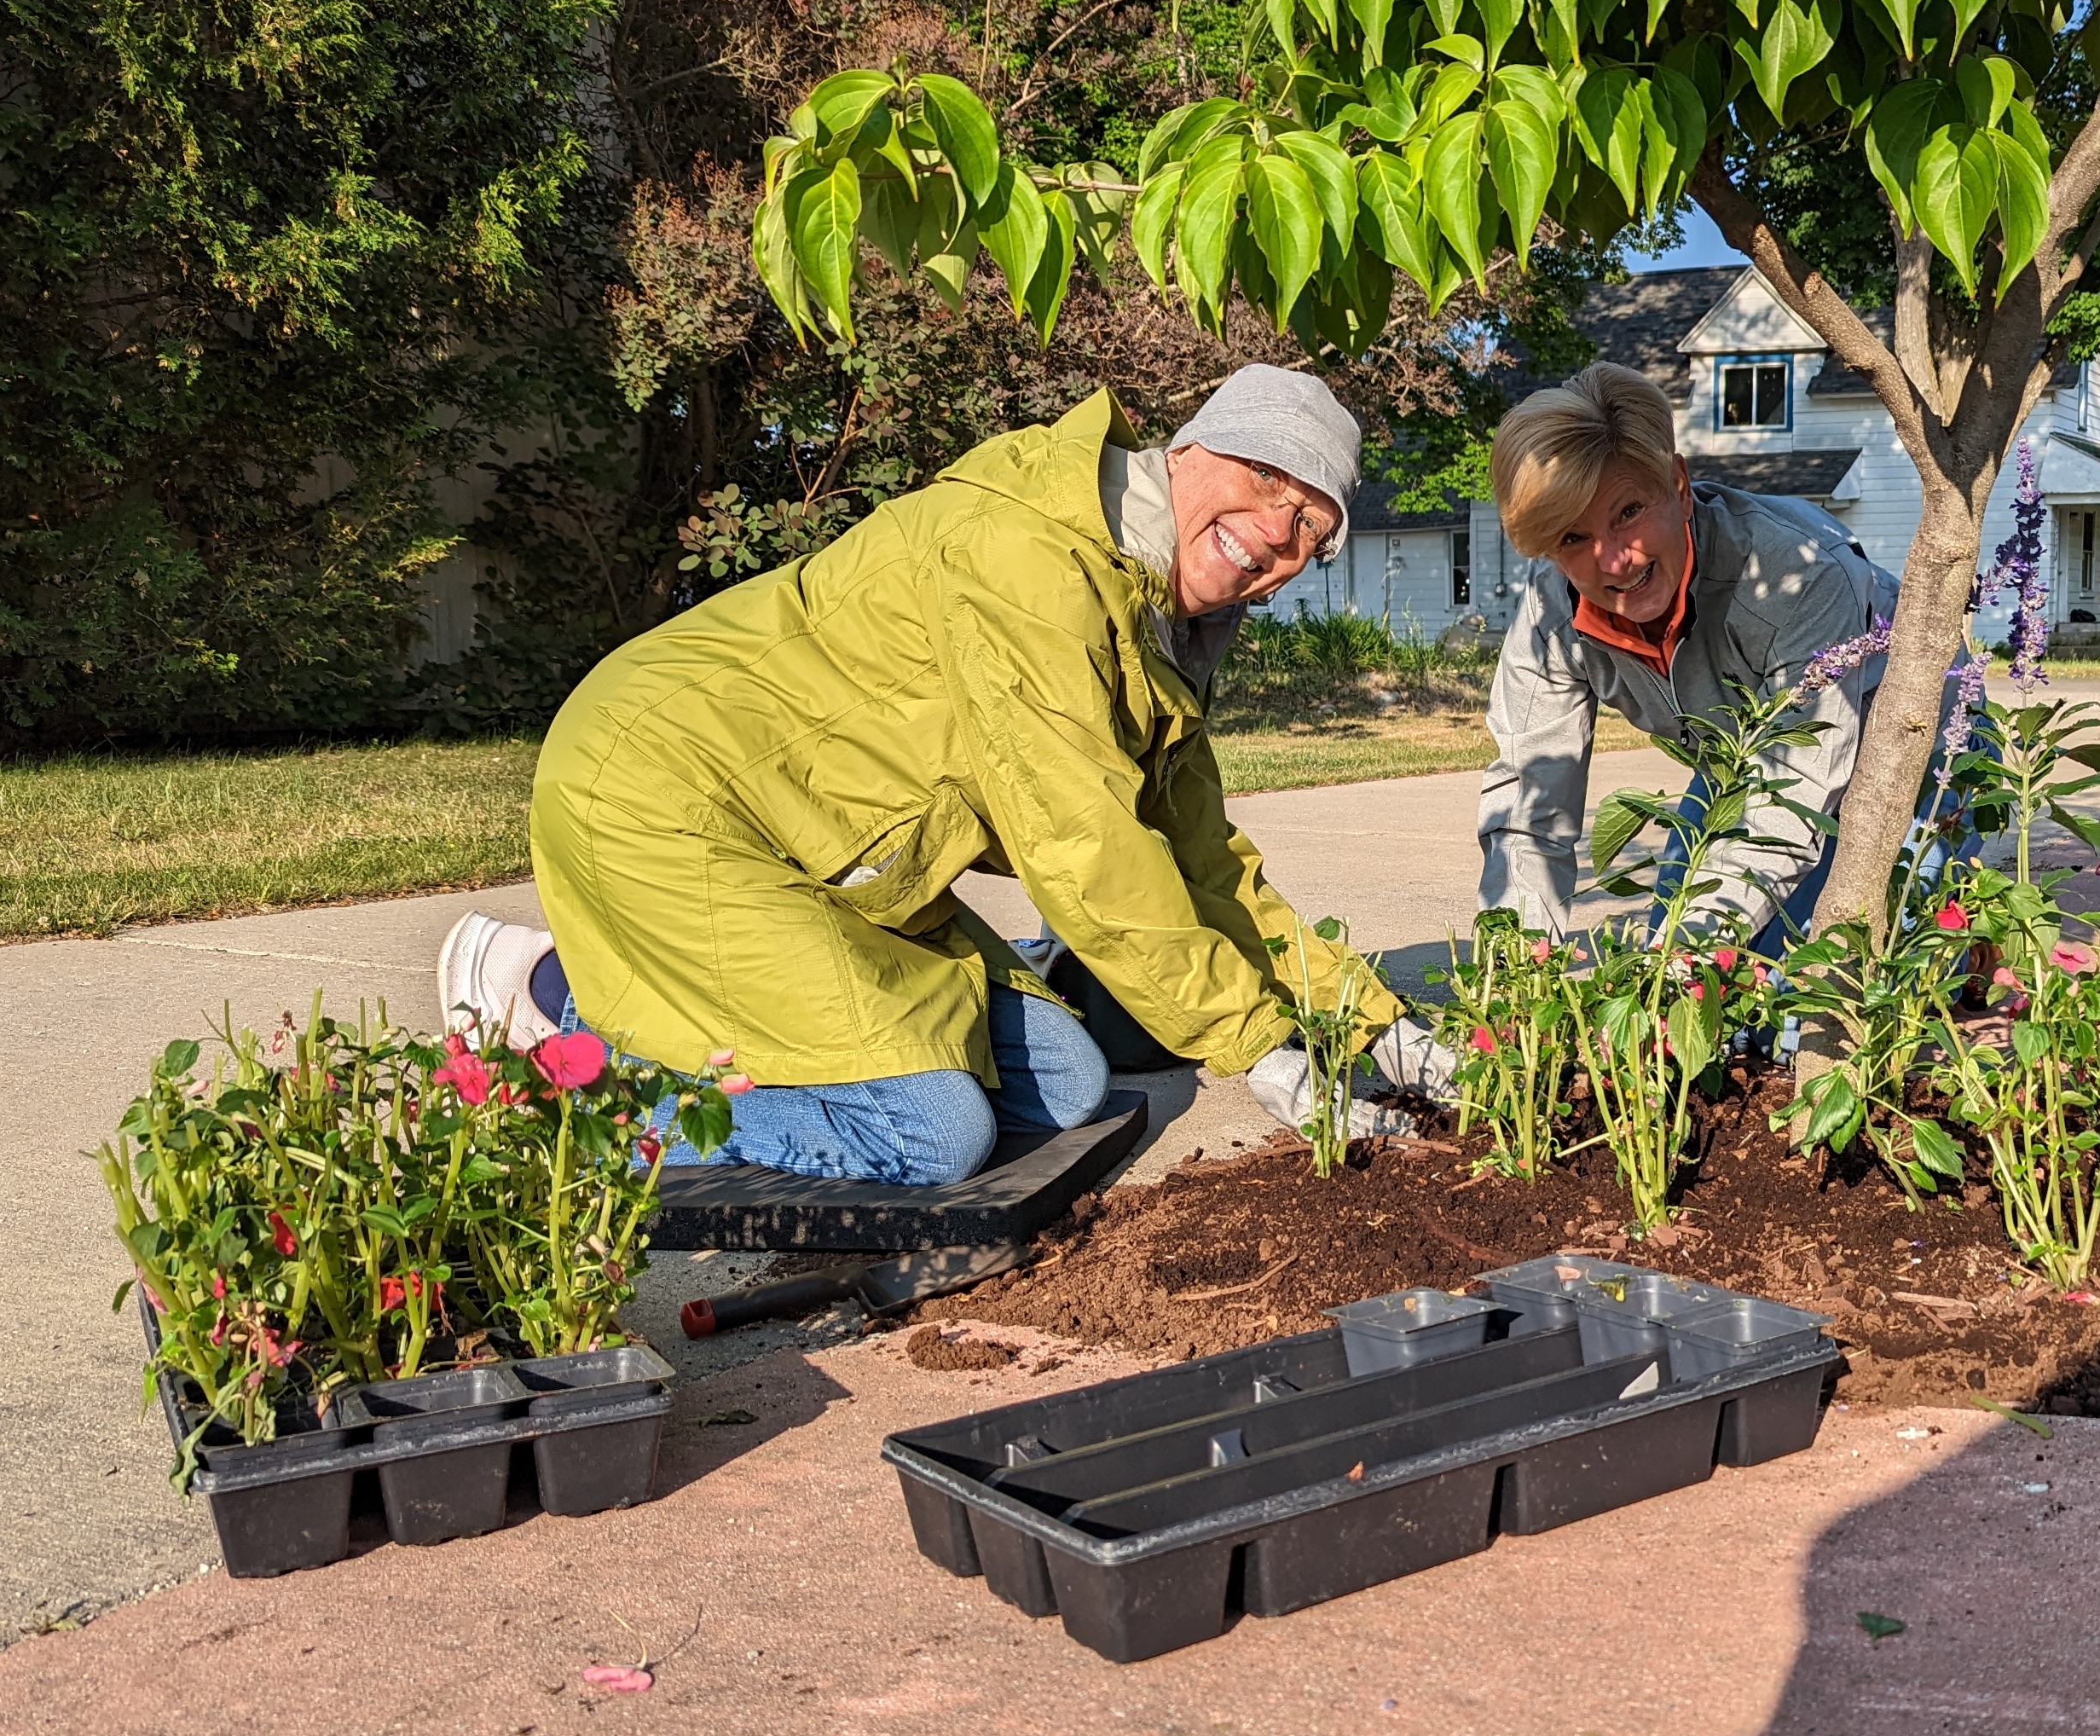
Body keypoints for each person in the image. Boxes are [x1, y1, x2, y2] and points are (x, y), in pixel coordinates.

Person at [443, 367, 1448, 1184]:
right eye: (1268, 480)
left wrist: (1381, 1032)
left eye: (1315, 530)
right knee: (932, 1133)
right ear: (1187, 452)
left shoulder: (1158, 631)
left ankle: (651, 999)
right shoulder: (1031, 561)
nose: (1281, 532)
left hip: (832, 850)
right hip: (672, 791)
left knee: (1064, 1082)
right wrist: (1262, 1054)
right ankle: (559, 1024)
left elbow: (1205, 869)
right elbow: (1085, 852)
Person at [1477, 361, 1901, 946]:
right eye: (1573, 538)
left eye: (1628, 513)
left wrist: (1689, 958)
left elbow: (1789, 798)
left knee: (1835, 975)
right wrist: (1515, 970)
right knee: (1679, 934)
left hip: (1909, 742)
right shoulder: (1553, 612)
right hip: (1742, 757)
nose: (1613, 562)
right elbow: (1530, 804)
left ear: (1677, 487)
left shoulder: (1797, 576)